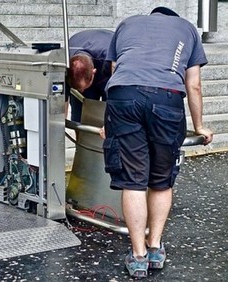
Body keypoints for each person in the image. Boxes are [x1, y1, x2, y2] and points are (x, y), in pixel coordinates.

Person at [103, 7, 213, 278]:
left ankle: (138, 256)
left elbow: (117, 72)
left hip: (123, 99)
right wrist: (199, 126)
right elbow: (194, 84)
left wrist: (111, 123)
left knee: (133, 180)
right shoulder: (187, 28)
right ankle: (154, 249)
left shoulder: (127, 24)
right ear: (172, 18)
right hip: (166, 97)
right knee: (161, 180)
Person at [66, 29, 113, 122]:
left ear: (93, 72)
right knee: (79, 116)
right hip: (83, 47)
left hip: (106, 71)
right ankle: (80, 135)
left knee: (108, 114)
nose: (81, 91)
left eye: (82, 88)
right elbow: (62, 101)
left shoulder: (110, 58)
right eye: (78, 88)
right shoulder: (65, 59)